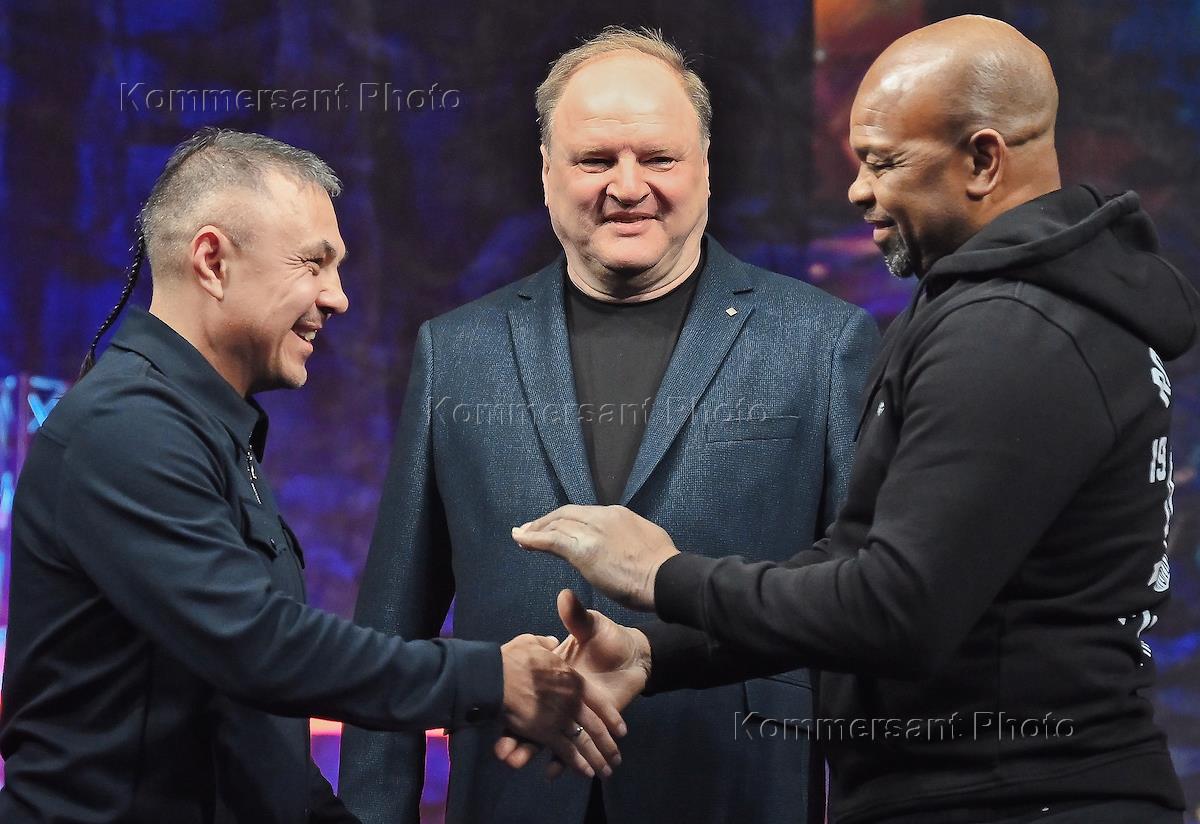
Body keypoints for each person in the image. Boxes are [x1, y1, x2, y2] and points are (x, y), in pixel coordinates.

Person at [511, 15, 1199, 824]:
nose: (858, 191)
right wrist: (655, 654)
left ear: (983, 160)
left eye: (883, 162)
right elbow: (856, 560)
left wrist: (663, 577)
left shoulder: (1011, 332)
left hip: (1019, 801)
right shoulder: (996, 311)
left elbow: (895, 609)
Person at [0, 129, 622, 824]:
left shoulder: (202, 432)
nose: (339, 297)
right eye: (315, 263)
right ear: (212, 262)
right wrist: (492, 679)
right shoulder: (125, 428)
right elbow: (260, 647)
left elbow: (250, 741)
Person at [338, 26, 878, 824]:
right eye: (596, 160)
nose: (628, 186)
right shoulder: (457, 351)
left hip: (735, 794)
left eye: (658, 158)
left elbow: (858, 608)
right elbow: (394, 629)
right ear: (546, 171)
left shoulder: (822, 343)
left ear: (704, 165)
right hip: (514, 799)